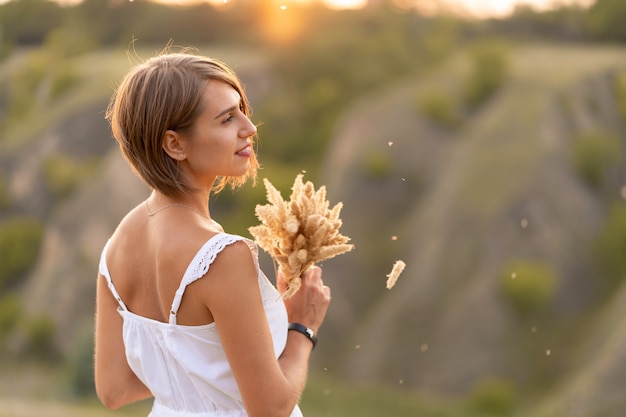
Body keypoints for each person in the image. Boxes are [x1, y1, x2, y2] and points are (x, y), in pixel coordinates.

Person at [94, 50, 331, 417]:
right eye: (225, 119)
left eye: (241, 110)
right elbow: (269, 409)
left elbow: (114, 389)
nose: (249, 127)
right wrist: (303, 327)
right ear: (175, 144)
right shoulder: (220, 255)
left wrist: (199, 371)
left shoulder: (117, 246)